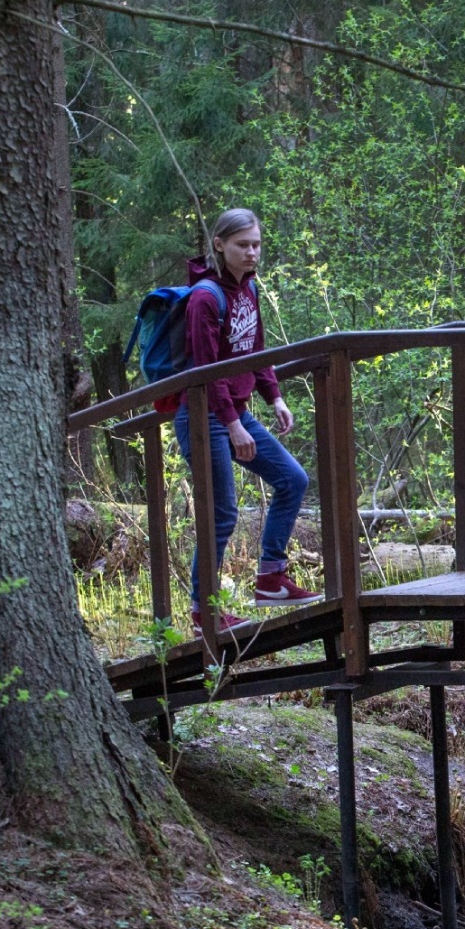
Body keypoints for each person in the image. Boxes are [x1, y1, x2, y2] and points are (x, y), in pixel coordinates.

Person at [174, 208, 320, 634]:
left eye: (256, 244)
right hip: (204, 417)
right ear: (220, 245)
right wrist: (233, 424)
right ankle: (205, 613)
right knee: (222, 514)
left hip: (235, 412)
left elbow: (255, 350)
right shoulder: (205, 298)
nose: (252, 252)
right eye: (243, 245)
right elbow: (207, 369)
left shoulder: (248, 288)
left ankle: (271, 579)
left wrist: (273, 395)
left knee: (293, 480)